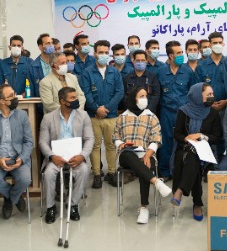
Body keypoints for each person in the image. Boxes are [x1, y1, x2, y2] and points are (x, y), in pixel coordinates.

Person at [114, 87, 171, 224]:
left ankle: (144, 208)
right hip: (127, 154)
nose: (145, 99)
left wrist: (147, 155)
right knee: (129, 155)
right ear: (134, 99)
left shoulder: (152, 117)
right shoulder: (122, 117)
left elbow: (156, 140)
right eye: (141, 96)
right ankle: (156, 182)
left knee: (146, 164)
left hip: (146, 152)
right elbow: (115, 137)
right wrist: (121, 144)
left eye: (146, 96)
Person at [0, 84, 34, 219]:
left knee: (25, 179)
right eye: (11, 96)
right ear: (2, 101)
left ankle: (9, 198)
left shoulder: (22, 115)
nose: (15, 98)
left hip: (17, 157)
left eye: (14, 94)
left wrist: (22, 158)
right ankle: (14, 197)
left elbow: (29, 141)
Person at [39, 86, 93, 224]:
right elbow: (43, 142)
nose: (76, 100)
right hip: (56, 157)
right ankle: (50, 207)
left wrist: (82, 156)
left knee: (84, 170)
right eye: (72, 98)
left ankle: (73, 204)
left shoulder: (83, 116)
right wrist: (52, 157)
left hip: (76, 157)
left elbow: (89, 139)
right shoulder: (48, 118)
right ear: (63, 101)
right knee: (49, 173)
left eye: (76, 97)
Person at [172, 83, 223, 221]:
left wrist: (201, 136)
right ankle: (197, 203)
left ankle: (180, 190)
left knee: (193, 157)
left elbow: (217, 137)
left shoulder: (213, 113)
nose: (212, 97)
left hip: (207, 149)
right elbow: (177, 134)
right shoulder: (183, 111)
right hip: (185, 148)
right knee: (193, 157)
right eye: (208, 94)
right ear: (197, 96)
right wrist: (186, 139)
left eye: (212, 94)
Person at [80, 39, 124, 189]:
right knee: (95, 146)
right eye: (101, 52)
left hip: (111, 116)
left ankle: (111, 173)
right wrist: (96, 109)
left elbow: (119, 92)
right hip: (93, 116)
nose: (104, 55)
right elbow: (85, 93)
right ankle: (97, 175)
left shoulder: (115, 72)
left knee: (111, 145)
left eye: (106, 52)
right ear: (95, 54)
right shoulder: (87, 72)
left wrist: (107, 108)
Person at [157, 40, 198, 179]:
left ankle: (182, 171)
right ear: (170, 56)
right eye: (178, 53)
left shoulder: (188, 71)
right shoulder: (161, 72)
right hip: (166, 112)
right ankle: (165, 172)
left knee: (184, 141)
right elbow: (158, 93)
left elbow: (193, 93)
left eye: (181, 52)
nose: (182, 55)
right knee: (166, 141)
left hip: (184, 113)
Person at [197, 32, 227, 112]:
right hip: (207, 108)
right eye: (215, 43)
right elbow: (198, 89)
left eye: (220, 42)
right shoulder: (201, 66)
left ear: (223, 44)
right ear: (210, 45)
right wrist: (209, 103)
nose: (218, 45)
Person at [122, 50, 161, 115]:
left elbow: (156, 95)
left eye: (142, 60)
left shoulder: (152, 77)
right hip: (131, 113)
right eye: (137, 60)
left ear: (146, 61)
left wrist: (148, 110)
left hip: (148, 113)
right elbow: (124, 95)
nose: (140, 62)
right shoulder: (127, 78)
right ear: (133, 61)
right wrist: (132, 109)